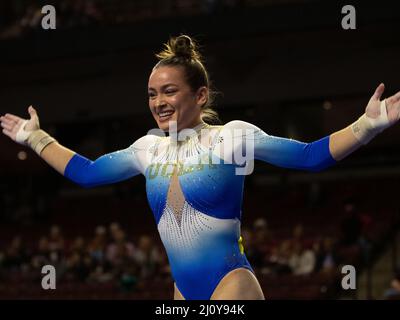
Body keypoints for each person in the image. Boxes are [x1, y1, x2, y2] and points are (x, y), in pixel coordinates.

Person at [1, 34, 400, 300]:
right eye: (152, 94)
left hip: (232, 284)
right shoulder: (146, 149)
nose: (158, 101)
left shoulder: (231, 138)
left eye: (169, 91)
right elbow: (86, 174)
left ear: (201, 94)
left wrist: (369, 125)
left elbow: (310, 156)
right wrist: (36, 139)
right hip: (183, 291)